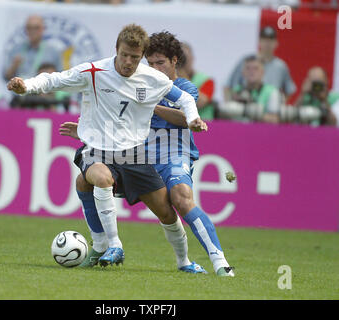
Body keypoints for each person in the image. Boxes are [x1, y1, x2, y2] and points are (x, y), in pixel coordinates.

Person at [7, 24, 208, 273]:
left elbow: (185, 99)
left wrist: (192, 119)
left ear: (141, 56)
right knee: (99, 178)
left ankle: (184, 261)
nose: (128, 62)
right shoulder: (94, 71)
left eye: (135, 57)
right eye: (124, 55)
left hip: (134, 153)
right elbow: (55, 79)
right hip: (97, 150)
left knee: (166, 212)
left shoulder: (152, 78)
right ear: (116, 49)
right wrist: (26, 86)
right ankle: (113, 244)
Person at [60, 31, 235, 277]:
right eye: (149, 63)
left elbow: (185, 119)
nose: (153, 67)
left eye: (160, 62)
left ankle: (219, 262)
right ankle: (100, 247)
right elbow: (115, 124)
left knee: (181, 198)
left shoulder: (184, 88)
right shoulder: (136, 84)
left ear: (175, 61)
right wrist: (84, 133)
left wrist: (151, 103)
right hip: (138, 159)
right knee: (84, 180)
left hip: (173, 156)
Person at [224, 26, 296, 103]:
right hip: (246, 106)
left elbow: (289, 90)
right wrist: (230, 105)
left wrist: (277, 105)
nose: (267, 43)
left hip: (269, 109)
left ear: (276, 43)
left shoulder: (280, 66)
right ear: (259, 41)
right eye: (264, 40)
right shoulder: (247, 61)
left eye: (270, 40)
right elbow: (228, 87)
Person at [220, 55, 281, 124]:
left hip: (261, 132)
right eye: (248, 68)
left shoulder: (272, 92)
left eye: (256, 68)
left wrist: (247, 111)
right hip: (237, 131)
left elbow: (274, 120)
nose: (251, 72)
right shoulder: (236, 90)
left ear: (263, 72)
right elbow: (226, 115)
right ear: (243, 72)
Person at [3, 15, 63, 81]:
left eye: (36, 28)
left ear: (43, 29)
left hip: (42, 90)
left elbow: (60, 79)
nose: (32, 31)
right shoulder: (15, 50)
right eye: (29, 28)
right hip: (19, 90)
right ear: (25, 29)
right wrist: (13, 67)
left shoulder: (53, 52)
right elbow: (5, 78)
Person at [177, 42, 216, 121]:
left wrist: (182, 75)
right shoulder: (168, 80)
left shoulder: (207, 80)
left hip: (202, 125)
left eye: (185, 57)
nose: (182, 61)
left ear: (192, 58)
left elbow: (199, 103)